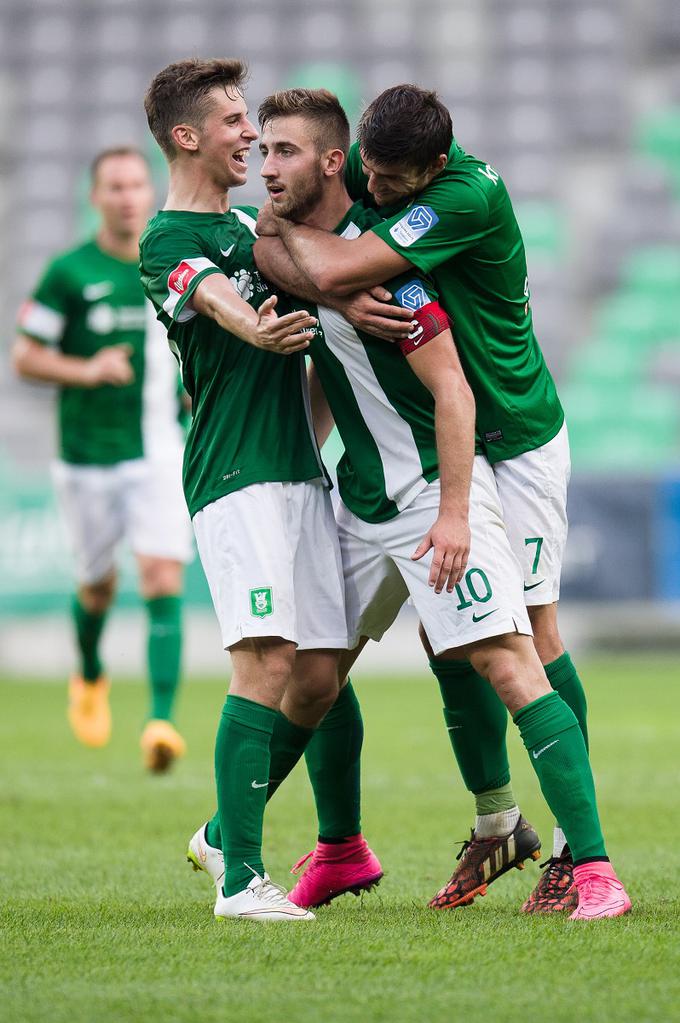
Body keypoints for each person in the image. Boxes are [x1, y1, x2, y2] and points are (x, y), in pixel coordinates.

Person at [194, 87, 631, 922]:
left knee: (522, 639)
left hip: (509, 439)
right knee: (336, 665)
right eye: (368, 170)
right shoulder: (362, 174)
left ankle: (588, 859)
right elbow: (316, 279)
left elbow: (336, 272)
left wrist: (288, 244)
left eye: (391, 179)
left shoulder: (454, 205)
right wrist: (303, 260)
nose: (376, 186)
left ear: (429, 167)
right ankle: (411, 832)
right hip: (379, 485)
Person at [139, 59, 410, 922]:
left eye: (250, 119)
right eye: (232, 121)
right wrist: (255, 325)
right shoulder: (167, 241)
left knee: (321, 674)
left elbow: (325, 317)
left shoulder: (261, 223)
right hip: (235, 475)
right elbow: (214, 299)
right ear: (188, 137)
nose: (249, 134)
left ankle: (248, 838)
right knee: (262, 660)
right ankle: (240, 879)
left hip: (300, 472)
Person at [13, 146, 193, 773]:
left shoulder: (167, 268)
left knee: (162, 577)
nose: (126, 197)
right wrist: (87, 369)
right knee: (97, 586)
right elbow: (25, 356)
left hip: (158, 449)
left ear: (150, 192)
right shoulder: (69, 272)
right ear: (95, 197)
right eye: (113, 187)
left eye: (135, 185)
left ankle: (161, 722)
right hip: (86, 456)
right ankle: (90, 672)